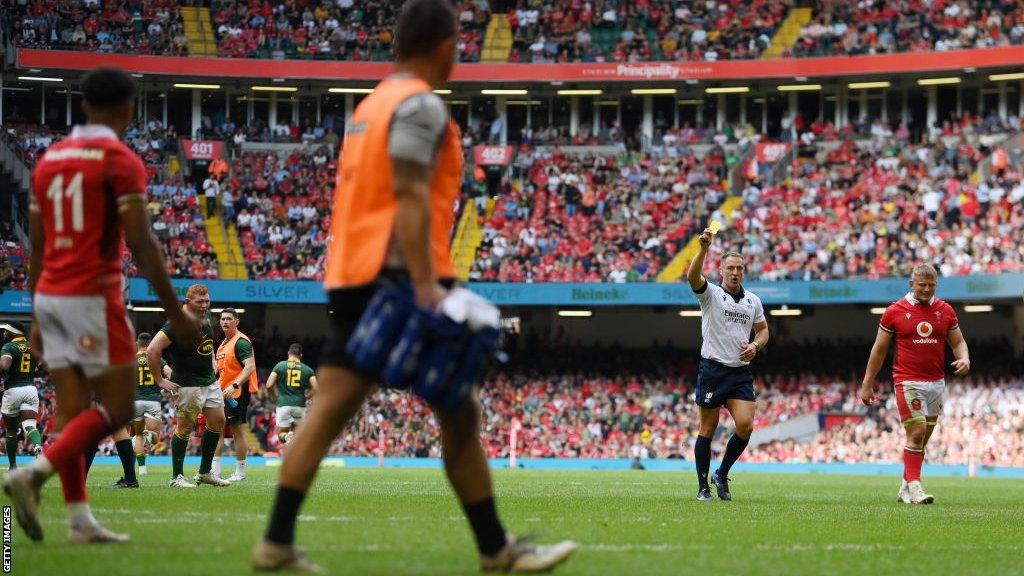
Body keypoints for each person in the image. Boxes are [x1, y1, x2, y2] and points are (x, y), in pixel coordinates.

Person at [251, 1, 576, 572]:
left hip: (355, 274)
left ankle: (276, 540)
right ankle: (497, 551)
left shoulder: (371, 106)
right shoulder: (419, 105)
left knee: (348, 411)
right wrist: (428, 289)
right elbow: (407, 193)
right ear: (446, 44)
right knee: (453, 409)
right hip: (398, 282)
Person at [4, 66, 198, 543]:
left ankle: (78, 520)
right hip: (92, 295)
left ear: (83, 104)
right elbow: (141, 241)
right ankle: (33, 474)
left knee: (72, 412)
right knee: (117, 408)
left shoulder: (49, 160)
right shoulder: (120, 160)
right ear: (128, 110)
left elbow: (37, 247)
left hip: (50, 294)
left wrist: (35, 311)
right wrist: (175, 312)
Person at [860, 263, 970, 504]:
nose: (927, 289)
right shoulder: (894, 311)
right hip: (907, 380)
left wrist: (964, 358)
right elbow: (879, 350)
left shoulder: (946, 310)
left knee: (922, 439)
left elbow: (958, 342)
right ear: (912, 284)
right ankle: (917, 489)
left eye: (931, 285)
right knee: (917, 432)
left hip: (936, 383)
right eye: (922, 285)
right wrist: (867, 384)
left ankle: (905, 485)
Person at [686, 228, 769, 502]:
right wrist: (703, 249)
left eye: (739, 268)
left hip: (739, 373)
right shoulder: (710, 294)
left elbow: (764, 331)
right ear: (721, 270)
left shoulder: (752, 301)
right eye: (730, 268)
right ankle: (702, 487)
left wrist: (755, 346)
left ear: (744, 272)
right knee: (707, 430)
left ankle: (721, 473)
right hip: (712, 369)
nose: (735, 272)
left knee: (745, 426)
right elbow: (692, 277)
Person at [147, 284, 231, 488]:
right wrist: (159, 380)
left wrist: (211, 361)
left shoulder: (205, 317)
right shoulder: (176, 324)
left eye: (207, 301)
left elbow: (207, 343)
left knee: (218, 421)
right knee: (184, 428)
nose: (204, 305)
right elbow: (152, 350)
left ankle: (204, 473)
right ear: (187, 302)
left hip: (209, 381)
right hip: (187, 384)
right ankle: (177, 477)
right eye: (200, 302)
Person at [212, 308, 258, 482]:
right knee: (216, 430)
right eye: (222, 319)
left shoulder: (241, 342)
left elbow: (249, 367)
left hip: (237, 392)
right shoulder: (223, 343)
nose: (225, 322)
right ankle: (215, 472)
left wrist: (235, 384)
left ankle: (240, 472)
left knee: (237, 430)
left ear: (236, 321)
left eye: (229, 319)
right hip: (222, 392)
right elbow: (221, 371)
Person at [1, 322, 44, 468]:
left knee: (11, 431)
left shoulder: (8, 347)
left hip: (13, 390)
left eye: (6, 331)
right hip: (31, 390)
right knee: (30, 425)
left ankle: (13, 466)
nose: (4, 334)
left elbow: (4, 366)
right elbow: (45, 368)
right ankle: (38, 445)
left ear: (14, 332)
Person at [132, 332, 171, 477]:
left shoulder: (131, 359)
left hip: (135, 401)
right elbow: (169, 373)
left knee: (138, 435)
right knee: (155, 435)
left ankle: (142, 469)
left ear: (138, 343)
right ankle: (148, 436)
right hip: (153, 400)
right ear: (150, 344)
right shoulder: (157, 358)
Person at [265, 344, 316, 448]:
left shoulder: (280, 365)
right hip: (300, 406)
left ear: (288, 353)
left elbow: (269, 385)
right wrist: (307, 397)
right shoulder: (308, 369)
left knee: (281, 435)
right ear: (301, 355)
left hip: (283, 404)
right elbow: (316, 388)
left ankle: (286, 437)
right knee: (298, 437)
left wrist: (275, 397)